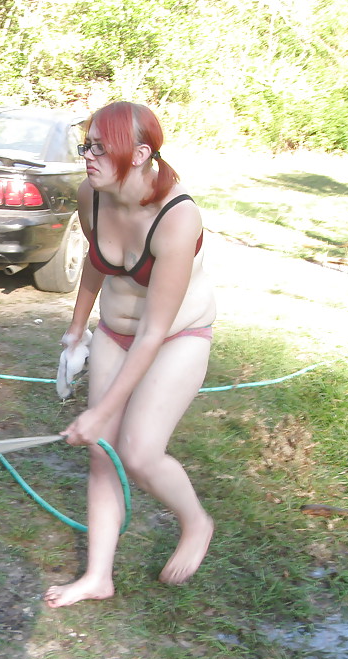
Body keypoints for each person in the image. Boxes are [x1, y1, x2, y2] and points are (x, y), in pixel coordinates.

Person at [44, 101, 217, 608]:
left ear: (141, 154)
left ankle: (196, 522)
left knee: (139, 452)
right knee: (102, 451)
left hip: (174, 338)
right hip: (114, 335)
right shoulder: (91, 194)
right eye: (87, 145)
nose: (88, 156)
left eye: (101, 147)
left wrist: (100, 412)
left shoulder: (177, 217)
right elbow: (98, 263)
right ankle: (99, 576)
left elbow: (153, 331)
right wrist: (76, 332)